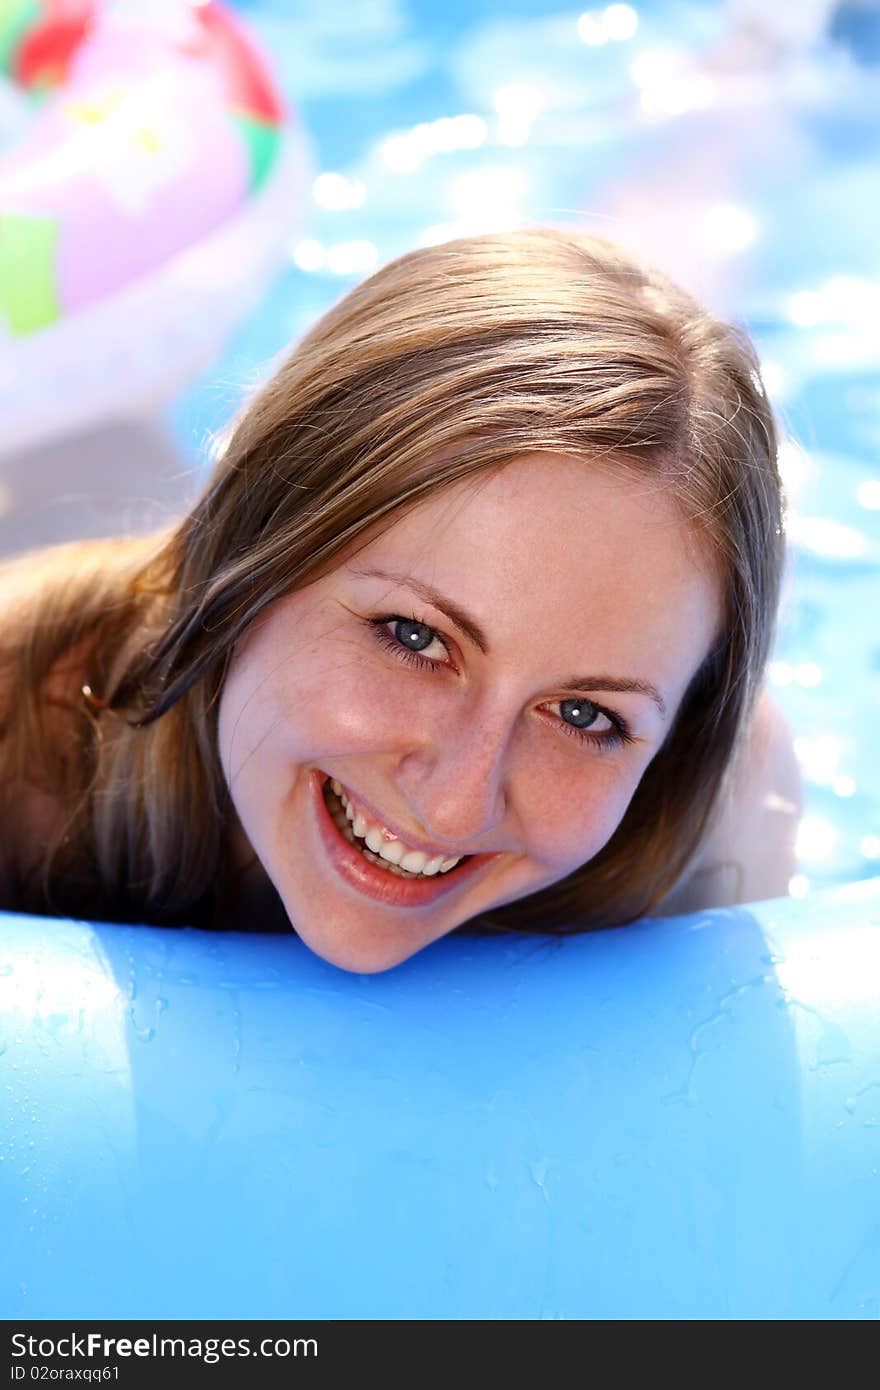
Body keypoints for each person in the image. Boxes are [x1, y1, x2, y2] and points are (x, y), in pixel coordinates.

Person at [0, 227, 802, 973]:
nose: (455, 807)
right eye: (414, 637)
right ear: (248, 547)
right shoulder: (18, 740)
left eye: (587, 715)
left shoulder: (718, 805)